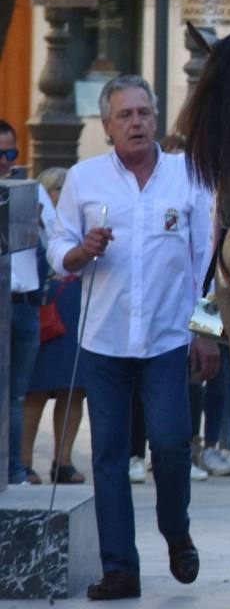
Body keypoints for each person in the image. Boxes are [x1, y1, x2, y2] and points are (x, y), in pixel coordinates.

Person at [47, 76, 219, 600]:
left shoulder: (189, 177)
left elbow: (209, 262)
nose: (137, 122)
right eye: (125, 115)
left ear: (156, 117)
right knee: (109, 456)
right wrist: (81, 254)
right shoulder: (83, 178)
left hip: (169, 338)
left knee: (170, 444)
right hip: (104, 341)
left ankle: (176, 530)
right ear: (106, 127)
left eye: (144, 112)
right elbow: (59, 250)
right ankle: (120, 566)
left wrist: (207, 331)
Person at [21, 167, 87, 485]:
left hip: (77, 308)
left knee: (73, 390)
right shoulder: (33, 218)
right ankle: (23, 462)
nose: (64, 194)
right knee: (36, 390)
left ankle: (64, 462)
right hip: (47, 306)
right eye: (59, 188)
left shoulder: (82, 220)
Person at [0, 120, 56, 486]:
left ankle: (15, 471)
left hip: (22, 305)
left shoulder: (33, 193)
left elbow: (57, 247)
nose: (5, 162)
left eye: (10, 153)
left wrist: (39, 230)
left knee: (16, 396)